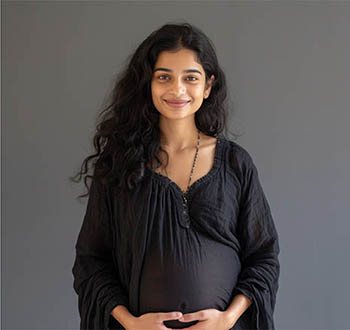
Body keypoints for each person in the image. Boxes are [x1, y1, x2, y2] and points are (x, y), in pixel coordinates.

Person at [71, 22, 280, 330]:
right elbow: (91, 260)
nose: (177, 89)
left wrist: (228, 318)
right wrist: (131, 323)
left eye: (190, 78)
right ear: (148, 84)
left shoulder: (236, 164)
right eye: (164, 77)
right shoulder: (119, 165)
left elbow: (263, 257)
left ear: (208, 86)